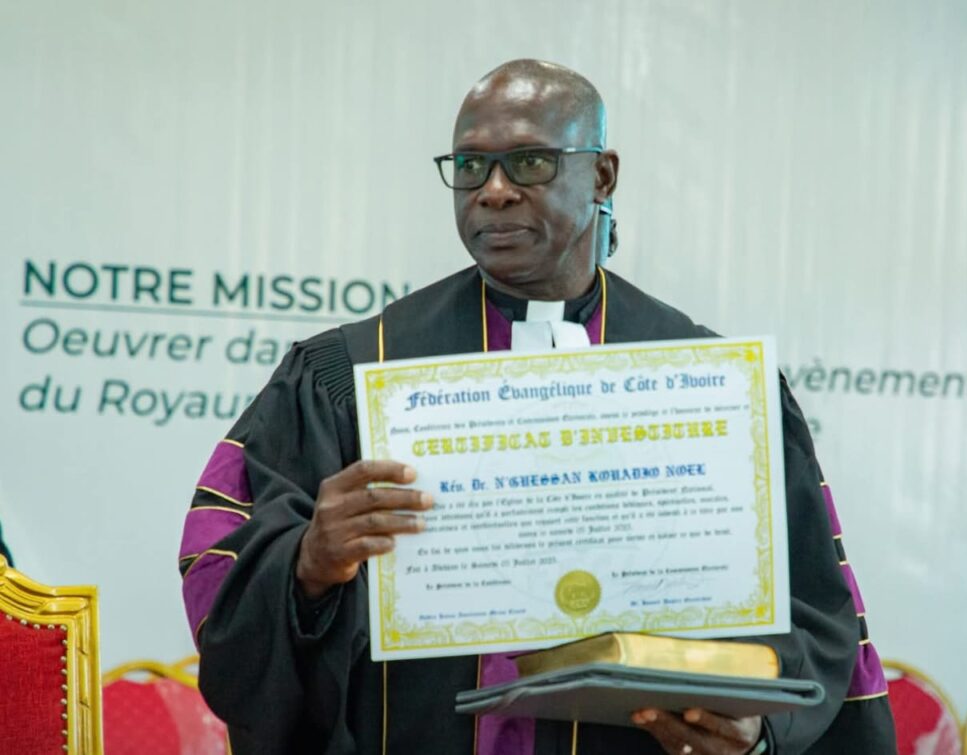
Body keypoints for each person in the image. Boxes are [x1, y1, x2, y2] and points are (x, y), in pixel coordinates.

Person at [179, 59, 896, 754]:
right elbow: (225, 565)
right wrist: (307, 564)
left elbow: (815, 612)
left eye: (530, 162)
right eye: (470, 166)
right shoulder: (354, 373)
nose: (493, 191)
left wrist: (757, 731)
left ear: (602, 175)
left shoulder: (712, 384)